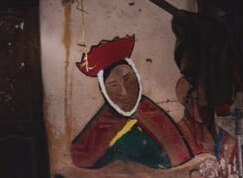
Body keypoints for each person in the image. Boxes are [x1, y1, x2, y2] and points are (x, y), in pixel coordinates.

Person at [71, 35, 194, 169]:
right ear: (104, 90)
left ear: (136, 77)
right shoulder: (103, 123)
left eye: (127, 79)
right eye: (113, 85)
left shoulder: (152, 114)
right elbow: (81, 158)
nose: (124, 91)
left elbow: (179, 157)